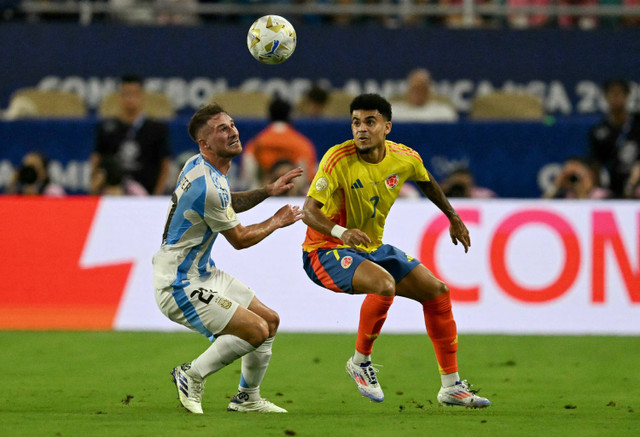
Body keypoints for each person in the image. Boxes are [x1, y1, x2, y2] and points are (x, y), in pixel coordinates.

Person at [301, 94, 490, 408]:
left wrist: (453, 217)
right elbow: (308, 211)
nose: (361, 129)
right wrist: (342, 231)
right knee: (384, 284)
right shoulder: (337, 158)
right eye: (355, 122)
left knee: (437, 291)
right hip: (325, 250)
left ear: (386, 126)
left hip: (371, 248)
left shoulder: (404, 157)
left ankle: (451, 386)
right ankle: (360, 362)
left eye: (370, 122)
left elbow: (426, 179)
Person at [152, 103, 303, 414]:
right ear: (205, 143)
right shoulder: (207, 185)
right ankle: (190, 374)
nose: (233, 131)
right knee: (255, 330)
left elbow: (227, 202)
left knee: (270, 321)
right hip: (178, 284)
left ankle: (247, 398)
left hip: (202, 272)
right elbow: (240, 239)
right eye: (222, 129)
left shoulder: (200, 167)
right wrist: (276, 220)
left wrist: (267, 190)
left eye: (232, 124)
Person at [92, 74, 172, 195]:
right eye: (126, 94)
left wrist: (156, 197)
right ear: (119, 97)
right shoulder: (107, 128)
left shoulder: (156, 129)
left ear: (142, 96)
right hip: (114, 195)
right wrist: (94, 188)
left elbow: (165, 165)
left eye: (134, 94)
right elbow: (97, 160)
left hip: (146, 194)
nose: (130, 99)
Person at [240, 96, 317, 192]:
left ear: (270, 115)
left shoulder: (255, 144)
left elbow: (247, 174)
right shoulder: (303, 144)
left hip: (264, 196)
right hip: (293, 198)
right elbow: (309, 178)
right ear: (289, 116)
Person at [589, 79, 640, 198]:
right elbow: (596, 163)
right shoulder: (599, 131)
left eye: (619, 94)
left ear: (627, 96)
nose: (616, 98)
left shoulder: (637, 124)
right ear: (606, 98)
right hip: (612, 184)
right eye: (612, 94)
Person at [391, 68, 458, 122]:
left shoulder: (444, 113)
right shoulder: (395, 112)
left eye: (422, 89)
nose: (418, 93)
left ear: (429, 91)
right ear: (408, 90)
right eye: (415, 89)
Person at [543, 157, 611, 199]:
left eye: (575, 171)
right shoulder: (564, 196)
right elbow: (544, 208)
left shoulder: (604, 196)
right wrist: (556, 186)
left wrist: (581, 189)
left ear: (589, 174)